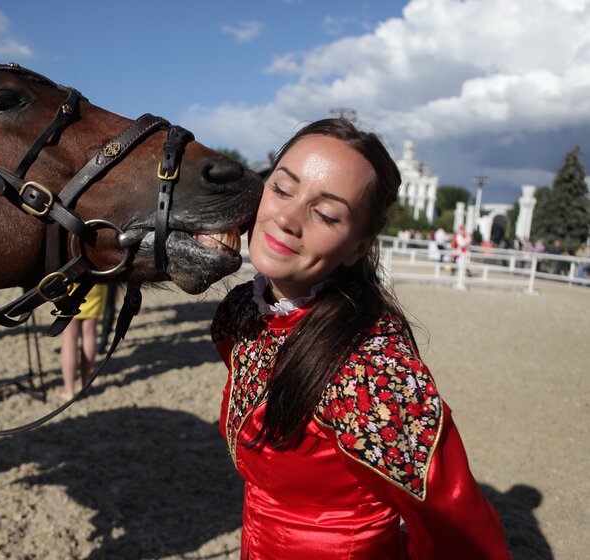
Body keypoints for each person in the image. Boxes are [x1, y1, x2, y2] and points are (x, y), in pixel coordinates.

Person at [210, 119, 510, 559]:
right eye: (282, 188)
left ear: (359, 246)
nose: (288, 219)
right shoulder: (240, 312)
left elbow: (461, 534)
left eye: (327, 214)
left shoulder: (371, 369)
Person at [59, 283, 108, 400]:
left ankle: (69, 389)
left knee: (69, 337)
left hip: (70, 286)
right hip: (94, 284)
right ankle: (83, 383)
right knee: (90, 334)